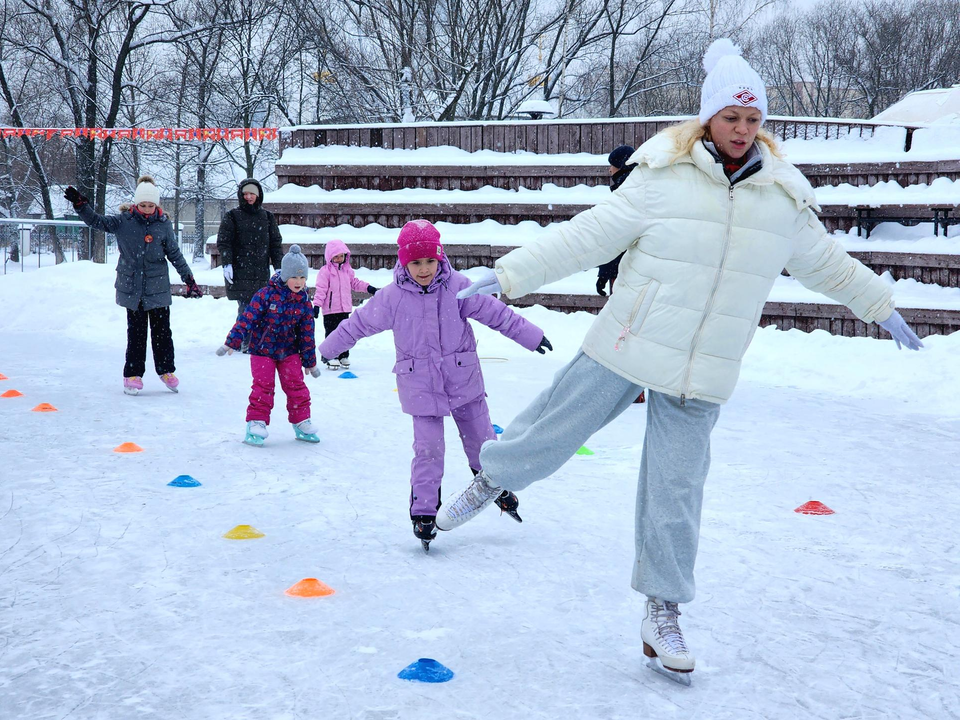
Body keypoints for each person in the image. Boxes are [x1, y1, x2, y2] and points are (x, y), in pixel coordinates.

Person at [435, 38, 923, 682]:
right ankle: (493, 477)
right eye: (731, 118)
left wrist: (879, 305)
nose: (743, 130)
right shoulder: (661, 178)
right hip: (630, 339)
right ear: (708, 119)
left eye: (753, 120)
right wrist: (511, 273)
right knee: (554, 428)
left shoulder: (782, 199)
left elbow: (826, 264)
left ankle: (661, 609)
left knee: (676, 490)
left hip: (707, 365)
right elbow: (589, 234)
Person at [318, 219, 553, 551]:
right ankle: (424, 513)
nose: (424, 269)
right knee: (428, 451)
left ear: (440, 258)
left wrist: (530, 335)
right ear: (404, 262)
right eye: (416, 262)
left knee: (483, 443)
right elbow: (356, 324)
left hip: (464, 381)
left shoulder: (458, 286)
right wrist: (326, 349)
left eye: (430, 261)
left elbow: (495, 313)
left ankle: (496, 485)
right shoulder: (392, 298)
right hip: (420, 387)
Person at [64, 176, 203, 396]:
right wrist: (82, 206)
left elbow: (175, 254)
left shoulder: (163, 224)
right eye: (143, 205)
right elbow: (96, 221)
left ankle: (166, 370)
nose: (147, 209)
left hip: (157, 287)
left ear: (156, 205)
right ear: (136, 204)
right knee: (136, 334)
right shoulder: (123, 221)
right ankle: (133, 374)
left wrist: (189, 280)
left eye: (151, 205)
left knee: (162, 333)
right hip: (133, 287)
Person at [216, 245, 322, 446]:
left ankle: (301, 421)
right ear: (285, 276)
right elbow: (247, 318)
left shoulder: (304, 302)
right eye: (295, 277)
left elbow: (307, 334)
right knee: (263, 386)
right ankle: (256, 423)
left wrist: (310, 362)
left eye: (302, 278)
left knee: (296, 385)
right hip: (262, 350)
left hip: (289, 351)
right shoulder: (266, 295)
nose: (299, 282)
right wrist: (233, 340)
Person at [216, 178, 284, 352]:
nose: (248, 197)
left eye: (252, 193)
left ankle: (255, 339)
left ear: (258, 195)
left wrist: (279, 266)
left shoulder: (267, 218)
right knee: (246, 307)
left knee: (262, 307)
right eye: (245, 193)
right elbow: (224, 242)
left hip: (261, 271)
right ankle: (244, 340)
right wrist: (227, 263)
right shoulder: (233, 216)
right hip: (240, 270)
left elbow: (275, 244)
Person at [312, 239, 378, 370]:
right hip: (330, 310)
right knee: (332, 333)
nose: (338, 259)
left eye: (341, 256)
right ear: (329, 256)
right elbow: (321, 290)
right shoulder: (325, 272)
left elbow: (355, 283)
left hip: (344, 308)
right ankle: (331, 356)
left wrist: (369, 288)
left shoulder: (347, 271)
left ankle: (343, 355)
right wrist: (317, 306)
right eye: (335, 256)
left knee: (345, 333)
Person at [595, 144, 636, 297]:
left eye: (612, 165)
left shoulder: (625, 194)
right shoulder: (636, 187)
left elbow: (615, 236)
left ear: (621, 166)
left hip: (624, 272)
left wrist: (606, 272)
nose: (610, 169)